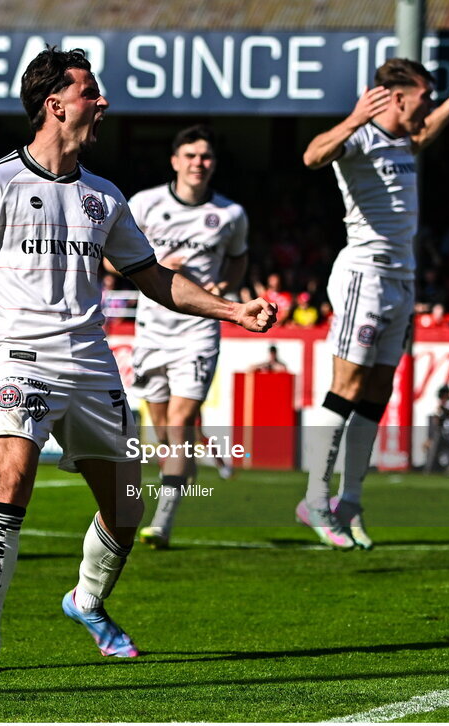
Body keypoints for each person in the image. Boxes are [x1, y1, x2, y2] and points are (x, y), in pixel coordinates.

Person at [0, 47, 276, 674]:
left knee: (126, 508)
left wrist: (233, 310)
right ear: (55, 105)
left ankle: (86, 600)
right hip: (20, 358)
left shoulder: (104, 197)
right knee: (11, 480)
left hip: (91, 362)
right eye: (92, 92)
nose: (103, 102)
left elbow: (153, 276)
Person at [298, 57, 449, 550]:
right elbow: (312, 157)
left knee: (378, 391)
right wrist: (356, 117)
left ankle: (350, 501)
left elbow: (421, 138)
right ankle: (314, 498)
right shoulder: (360, 137)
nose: (427, 103)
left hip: (402, 280)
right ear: (398, 97)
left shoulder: (404, 140)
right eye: (424, 95)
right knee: (348, 386)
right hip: (365, 276)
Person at [125, 124, 249, 550]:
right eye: (191, 155)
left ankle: (163, 521)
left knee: (178, 422)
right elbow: (111, 261)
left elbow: (238, 261)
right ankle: (193, 456)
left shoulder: (230, 214)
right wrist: (156, 265)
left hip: (198, 331)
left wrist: (221, 291)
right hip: (152, 329)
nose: (199, 163)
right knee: (162, 431)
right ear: (175, 160)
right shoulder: (143, 204)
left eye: (206, 157)